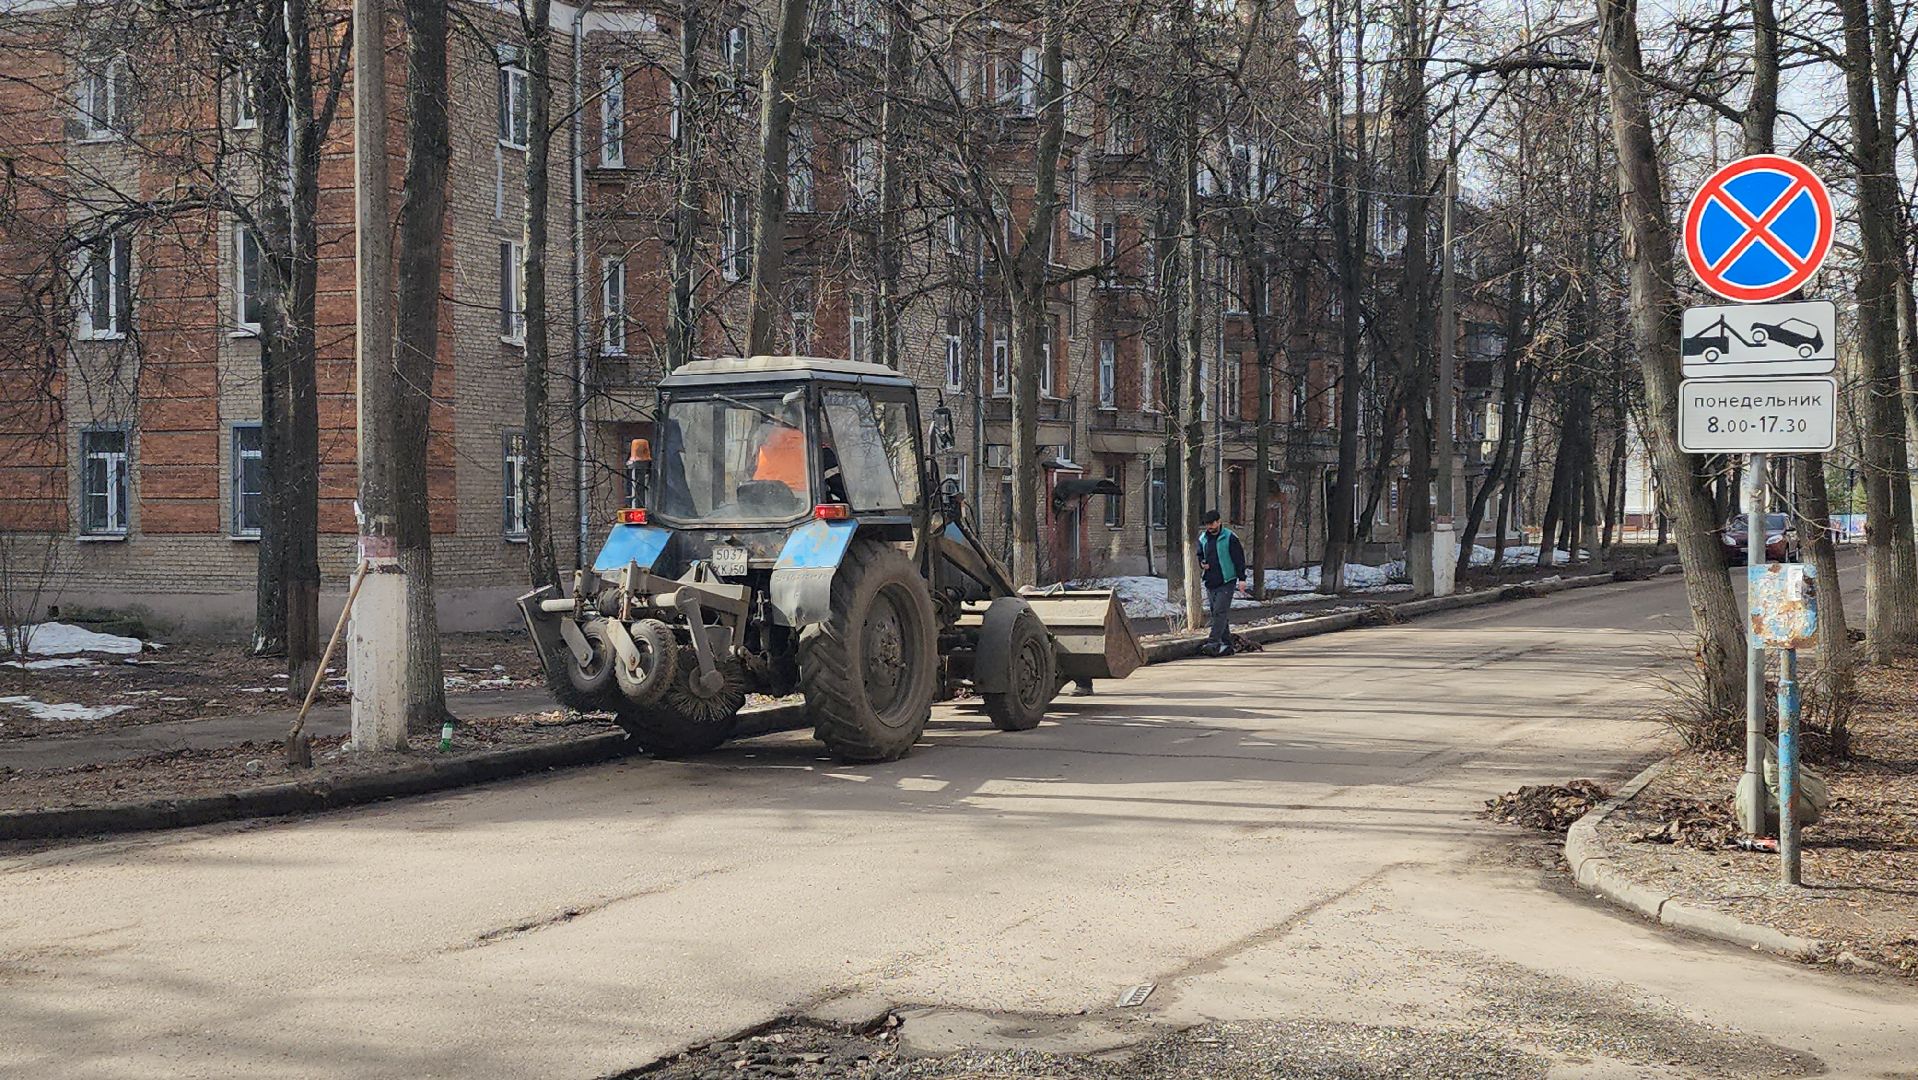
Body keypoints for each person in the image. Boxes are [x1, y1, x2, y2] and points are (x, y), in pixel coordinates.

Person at [1196, 508, 1247, 655]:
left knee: (1220, 612)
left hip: (1227, 580)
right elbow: (1200, 554)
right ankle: (1227, 644)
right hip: (1210, 580)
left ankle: (1213, 642)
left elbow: (1239, 559)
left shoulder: (1230, 537)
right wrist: (1202, 563)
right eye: (1207, 524)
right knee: (1217, 613)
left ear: (1219, 522)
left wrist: (1242, 579)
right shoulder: (1203, 538)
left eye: (1212, 523)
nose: (1210, 527)